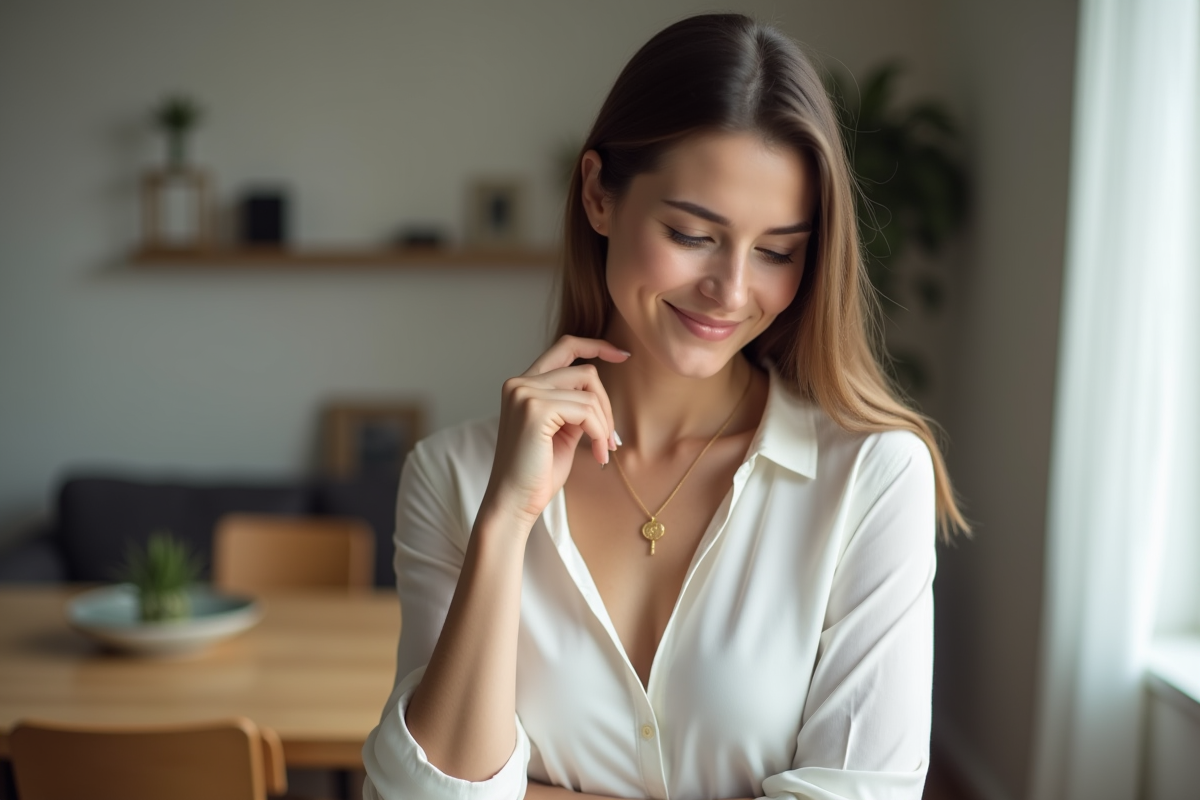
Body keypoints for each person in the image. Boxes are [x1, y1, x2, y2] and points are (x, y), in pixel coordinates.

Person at [362, 12, 967, 800]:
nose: (733, 291)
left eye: (779, 251)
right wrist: (506, 520)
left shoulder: (872, 478)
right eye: (692, 233)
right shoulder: (454, 475)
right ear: (598, 195)